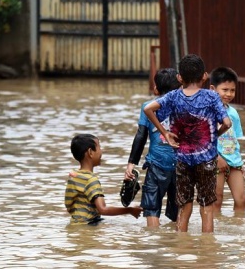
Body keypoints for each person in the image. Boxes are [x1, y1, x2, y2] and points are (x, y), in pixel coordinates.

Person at [143, 54, 232, 233]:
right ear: (204, 76)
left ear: (179, 78)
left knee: (184, 205)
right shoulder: (211, 97)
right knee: (207, 207)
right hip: (207, 159)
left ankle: (181, 246)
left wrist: (165, 133)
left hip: (182, 159)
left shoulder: (174, 97)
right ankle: (208, 249)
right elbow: (227, 123)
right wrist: (214, 136)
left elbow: (148, 109)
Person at [124, 68, 181, 227]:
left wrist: (131, 164)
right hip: (181, 165)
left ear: (156, 89)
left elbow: (141, 136)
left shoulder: (148, 106)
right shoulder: (184, 105)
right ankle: (180, 242)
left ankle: (154, 243)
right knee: (179, 208)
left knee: (151, 207)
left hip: (157, 164)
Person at [65, 134, 142, 225]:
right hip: (89, 225)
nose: (101, 151)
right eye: (99, 147)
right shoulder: (91, 180)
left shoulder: (74, 176)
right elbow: (103, 209)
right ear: (90, 152)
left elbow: (68, 204)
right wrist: (130, 210)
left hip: (75, 224)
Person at [209, 67, 245, 214]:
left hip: (234, 162)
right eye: (225, 90)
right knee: (216, 199)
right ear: (213, 89)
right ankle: (213, 233)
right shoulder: (208, 111)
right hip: (215, 161)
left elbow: (235, 140)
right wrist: (217, 158)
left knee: (241, 199)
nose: (229, 94)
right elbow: (204, 139)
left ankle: (238, 228)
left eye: (232, 90)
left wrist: (240, 162)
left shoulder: (233, 113)